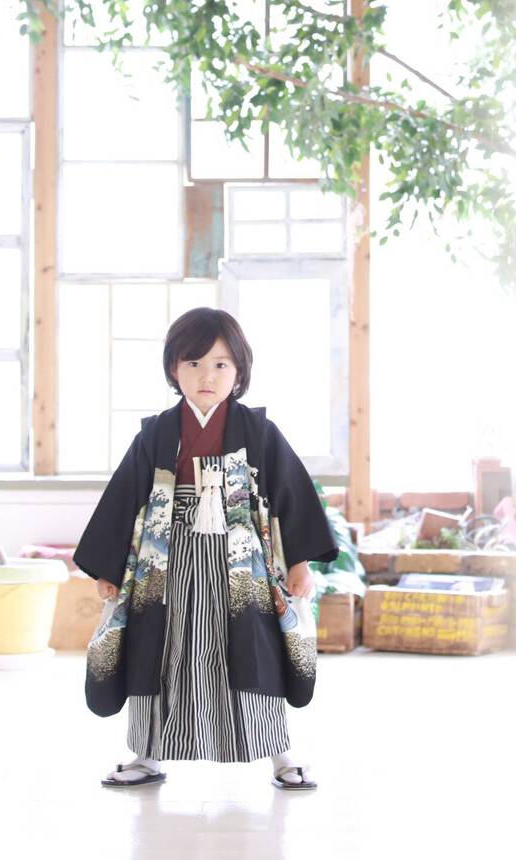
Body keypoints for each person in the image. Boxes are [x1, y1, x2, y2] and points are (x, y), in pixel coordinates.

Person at [73, 306, 338, 791]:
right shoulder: (156, 433)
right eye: (192, 363)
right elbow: (123, 498)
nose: (206, 376)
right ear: (174, 369)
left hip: (242, 565)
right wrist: (107, 567)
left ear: (239, 370)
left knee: (253, 650)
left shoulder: (259, 432)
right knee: (159, 650)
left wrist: (299, 562)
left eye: (220, 364)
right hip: (164, 559)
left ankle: (280, 754)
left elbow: (291, 494)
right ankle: (148, 753)